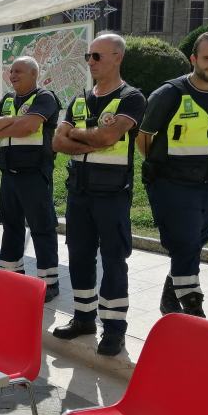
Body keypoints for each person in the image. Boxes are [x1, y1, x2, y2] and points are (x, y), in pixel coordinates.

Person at [51, 33, 146, 356]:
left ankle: (115, 329)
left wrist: (76, 133)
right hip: (79, 192)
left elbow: (108, 137)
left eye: (96, 56)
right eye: (88, 56)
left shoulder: (132, 97)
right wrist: (90, 138)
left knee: (114, 261)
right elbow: (56, 144)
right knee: (79, 257)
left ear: (117, 57)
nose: (90, 62)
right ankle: (83, 318)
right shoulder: (79, 99)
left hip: (112, 193)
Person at [137, 31, 208, 318]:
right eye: (207, 58)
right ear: (193, 58)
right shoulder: (169, 94)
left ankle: (169, 299)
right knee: (185, 245)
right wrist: (164, 166)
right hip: (173, 184)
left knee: (195, 244)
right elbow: (145, 139)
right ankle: (193, 309)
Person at [0, 57, 60, 300]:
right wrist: (14, 121)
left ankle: (49, 283)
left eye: (18, 72)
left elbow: (29, 127)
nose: (12, 75)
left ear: (34, 74)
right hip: (10, 175)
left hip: (35, 174)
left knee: (41, 227)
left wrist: (2, 128)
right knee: (11, 226)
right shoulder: (7, 100)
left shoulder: (45, 98)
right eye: (11, 71)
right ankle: (12, 275)